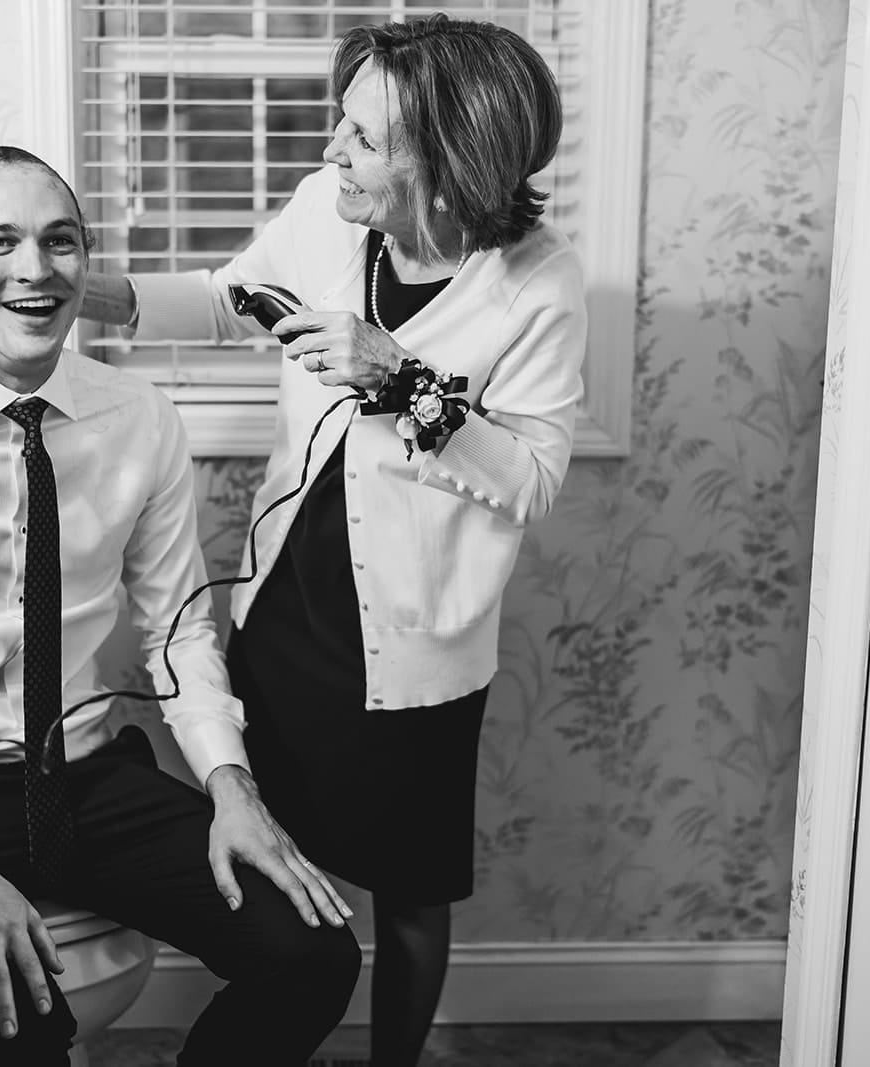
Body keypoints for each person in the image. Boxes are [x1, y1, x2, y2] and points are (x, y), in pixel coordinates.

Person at [80, 15, 586, 1067]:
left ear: (445, 158)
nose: (331, 153)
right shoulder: (325, 213)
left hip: (417, 641)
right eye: (338, 125)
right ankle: (282, 1016)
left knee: (408, 887)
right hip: (286, 608)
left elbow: (530, 480)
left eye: (361, 137)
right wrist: (95, 294)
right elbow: (232, 301)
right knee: (273, 846)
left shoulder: (536, 284)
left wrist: (403, 382)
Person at [0, 145, 360, 1067]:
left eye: (61, 242)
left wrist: (231, 787)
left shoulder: (139, 418)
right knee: (20, 1026)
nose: (36, 270)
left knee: (314, 955)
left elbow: (177, 630)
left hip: (81, 774)